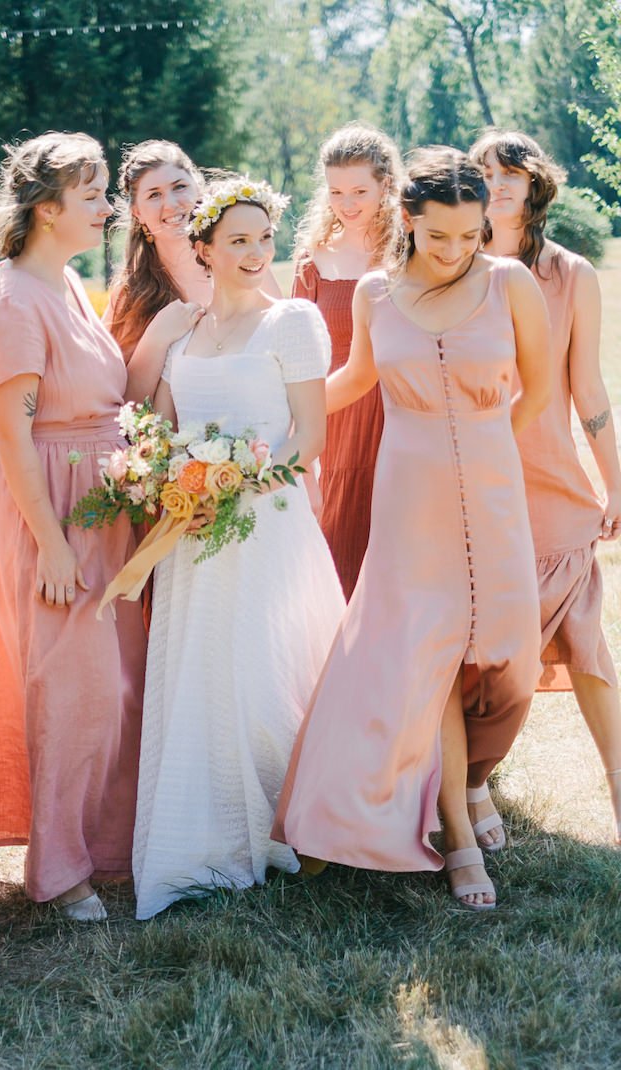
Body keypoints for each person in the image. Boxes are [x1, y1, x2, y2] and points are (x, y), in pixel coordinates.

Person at [275, 148, 551, 910]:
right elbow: (357, 379)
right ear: (408, 221)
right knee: (428, 665)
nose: (459, 251)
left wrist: (488, 438)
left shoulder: (510, 283)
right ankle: (459, 839)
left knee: (510, 664)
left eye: (472, 236)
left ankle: (467, 783)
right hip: (409, 508)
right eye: (442, 238)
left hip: (493, 496)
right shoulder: (376, 295)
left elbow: (538, 390)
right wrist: (269, 410)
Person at [132, 178, 345, 920]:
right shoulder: (183, 335)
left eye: (263, 239)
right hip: (194, 535)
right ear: (204, 250)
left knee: (267, 668)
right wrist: (171, 481)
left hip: (267, 524)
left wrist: (238, 486)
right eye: (239, 242)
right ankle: (211, 829)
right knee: (205, 670)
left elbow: (308, 437)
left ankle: (299, 821)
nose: (257, 254)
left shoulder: (293, 322)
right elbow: (159, 431)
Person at [0, 132, 159, 920]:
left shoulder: (69, 284)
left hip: (100, 499)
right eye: (94, 195)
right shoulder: (11, 300)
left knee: (114, 684)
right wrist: (50, 542)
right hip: (49, 504)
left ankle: (104, 846)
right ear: (48, 210)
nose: (108, 207)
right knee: (73, 688)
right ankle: (59, 870)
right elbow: (12, 437)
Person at [473, 129, 621, 844]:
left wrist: (615, 480)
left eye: (510, 174)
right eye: (484, 174)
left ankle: (620, 784)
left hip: (554, 484)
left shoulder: (574, 274)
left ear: (534, 185)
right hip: (474, 485)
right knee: (494, 655)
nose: (497, 185)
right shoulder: (456, 268)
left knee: (587, 639)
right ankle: (471, 785)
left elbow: (587, 388)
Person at [291, 122, 405, 597]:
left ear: (386, 185)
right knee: (337, 542)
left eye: (360, 190)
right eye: (337, 191)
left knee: (396, 542)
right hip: (334, 415)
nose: (348, 203)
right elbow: (296, 354)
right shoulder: (312, 259)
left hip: (398, 412)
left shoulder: (406, 251)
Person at [104, 139, 281, 397]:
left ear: (198, 188)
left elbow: (281, 345)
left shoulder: (244, 265)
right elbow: (124, 399)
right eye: (154, 195)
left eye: (180, 187)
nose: (171, 204)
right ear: (137, 212)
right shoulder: (130, 295)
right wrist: (156, 337)